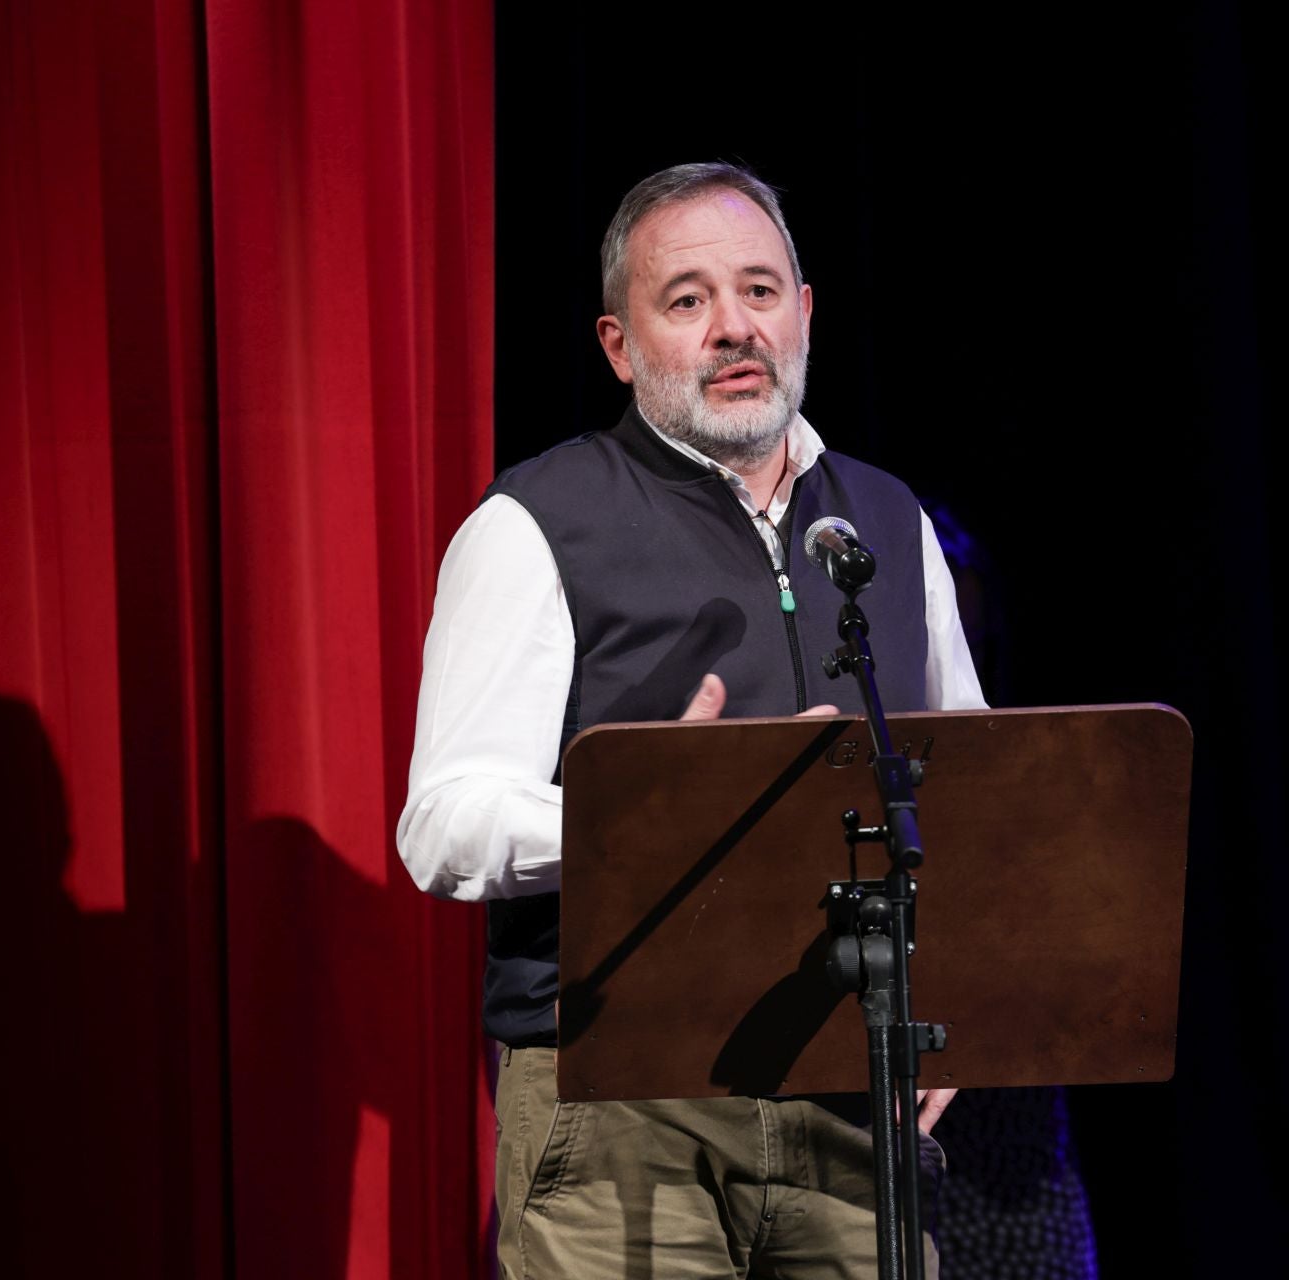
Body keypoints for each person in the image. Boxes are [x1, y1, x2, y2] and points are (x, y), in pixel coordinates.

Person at [399, 162, 986, 1279]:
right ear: (621, 346)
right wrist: (666, 816)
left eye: (760, 290)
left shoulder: (887, 520)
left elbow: (964, 785)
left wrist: (958, 994)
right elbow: (445, 821)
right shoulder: (535, 523)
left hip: (851, 1097)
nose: (734, 328)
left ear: (805, 312)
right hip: (626, 1104)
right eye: (687, 300)